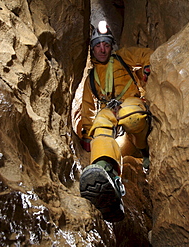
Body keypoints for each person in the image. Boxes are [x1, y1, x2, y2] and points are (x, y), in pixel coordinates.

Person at [79, 21, 153, 222]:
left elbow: (146, 54)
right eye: (98, 45)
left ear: (111, 46)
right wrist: (87, 133)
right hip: (109, 108)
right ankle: (107, 172)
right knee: (100, 123)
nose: (102, 49)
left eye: (106, 44)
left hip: (131, 100)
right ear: (92, 49)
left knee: (131, 114)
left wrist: (147, 68)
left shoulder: (122, 57)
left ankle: (145, 150)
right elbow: (88, 108)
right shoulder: (92, 77)